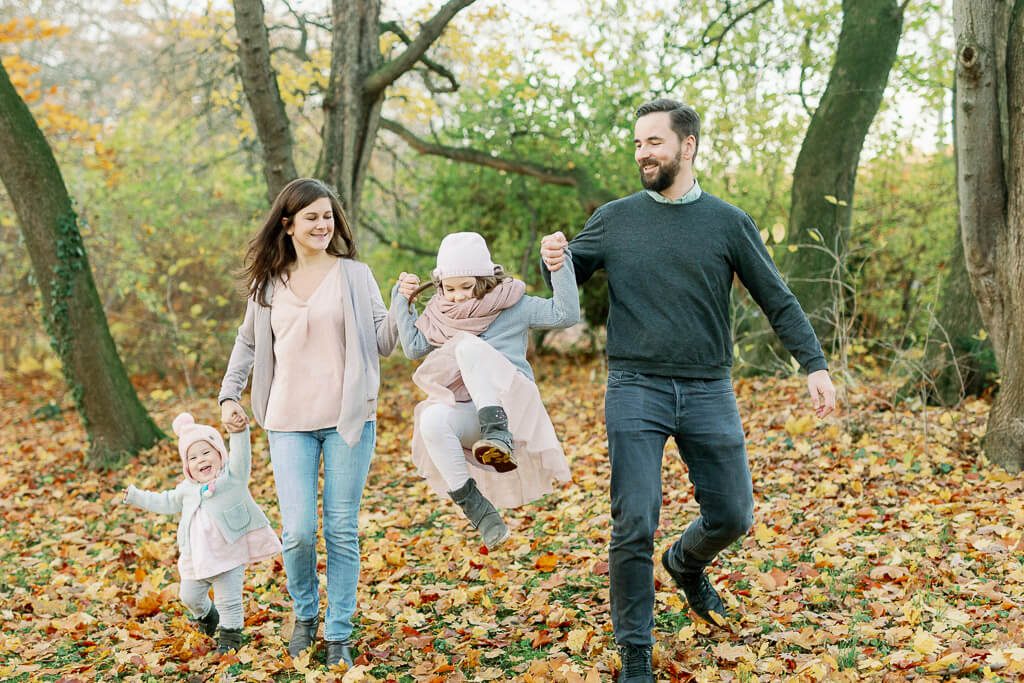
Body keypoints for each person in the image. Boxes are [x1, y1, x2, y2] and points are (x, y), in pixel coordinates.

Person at [540, 99, 837, 682]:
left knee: (732, 514)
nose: (643, 153)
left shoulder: (728, 223)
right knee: (634, 520)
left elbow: (776, 297)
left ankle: (685, 562)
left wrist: (814, 363)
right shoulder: (615, 218)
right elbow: (565, 286)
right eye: (637, 144)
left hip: (708, 388)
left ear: (688, 146)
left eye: (654, 142)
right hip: (635, 385)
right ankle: (636, 652)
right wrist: (553, 258)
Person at [218, 178, 397, 667]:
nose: (323, 224)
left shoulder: (356, 276)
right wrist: (228, 392)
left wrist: (404, 303)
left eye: (328, 216)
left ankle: (338, 629)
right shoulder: (268, 284)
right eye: (312, 216)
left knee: (340, 530)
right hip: (288, 422)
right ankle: (305, 615)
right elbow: (249, 343)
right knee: (297, 531)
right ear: (288, 224)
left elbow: (384, 341)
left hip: (348, 422)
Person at [391, 231, 577, 549]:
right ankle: (481, 514)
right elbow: (413, 347)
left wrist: (559, 265)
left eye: (466, 286)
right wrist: (400, 297)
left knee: (467, 347)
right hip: (474, 410)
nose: (458, 296)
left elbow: (566, 314)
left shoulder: (513, 305)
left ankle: (499, 436)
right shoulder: (442, 313)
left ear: (485, 279)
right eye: (449, 288)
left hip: (513, 406)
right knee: (431, 419)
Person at [120, 413, 281, 654]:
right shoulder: (186, 490)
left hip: (229, 556)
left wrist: (238, 432)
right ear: (187, 466)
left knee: (229, 601)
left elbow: (241, 456)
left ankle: (230, 637)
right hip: (196, 559)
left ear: (220, 454)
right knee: (189, 596)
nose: (201, 460)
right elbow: (164, 502)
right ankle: (207, 616)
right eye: (193, 457)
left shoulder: (232, 479)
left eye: (207, 453)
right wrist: (136, 496)